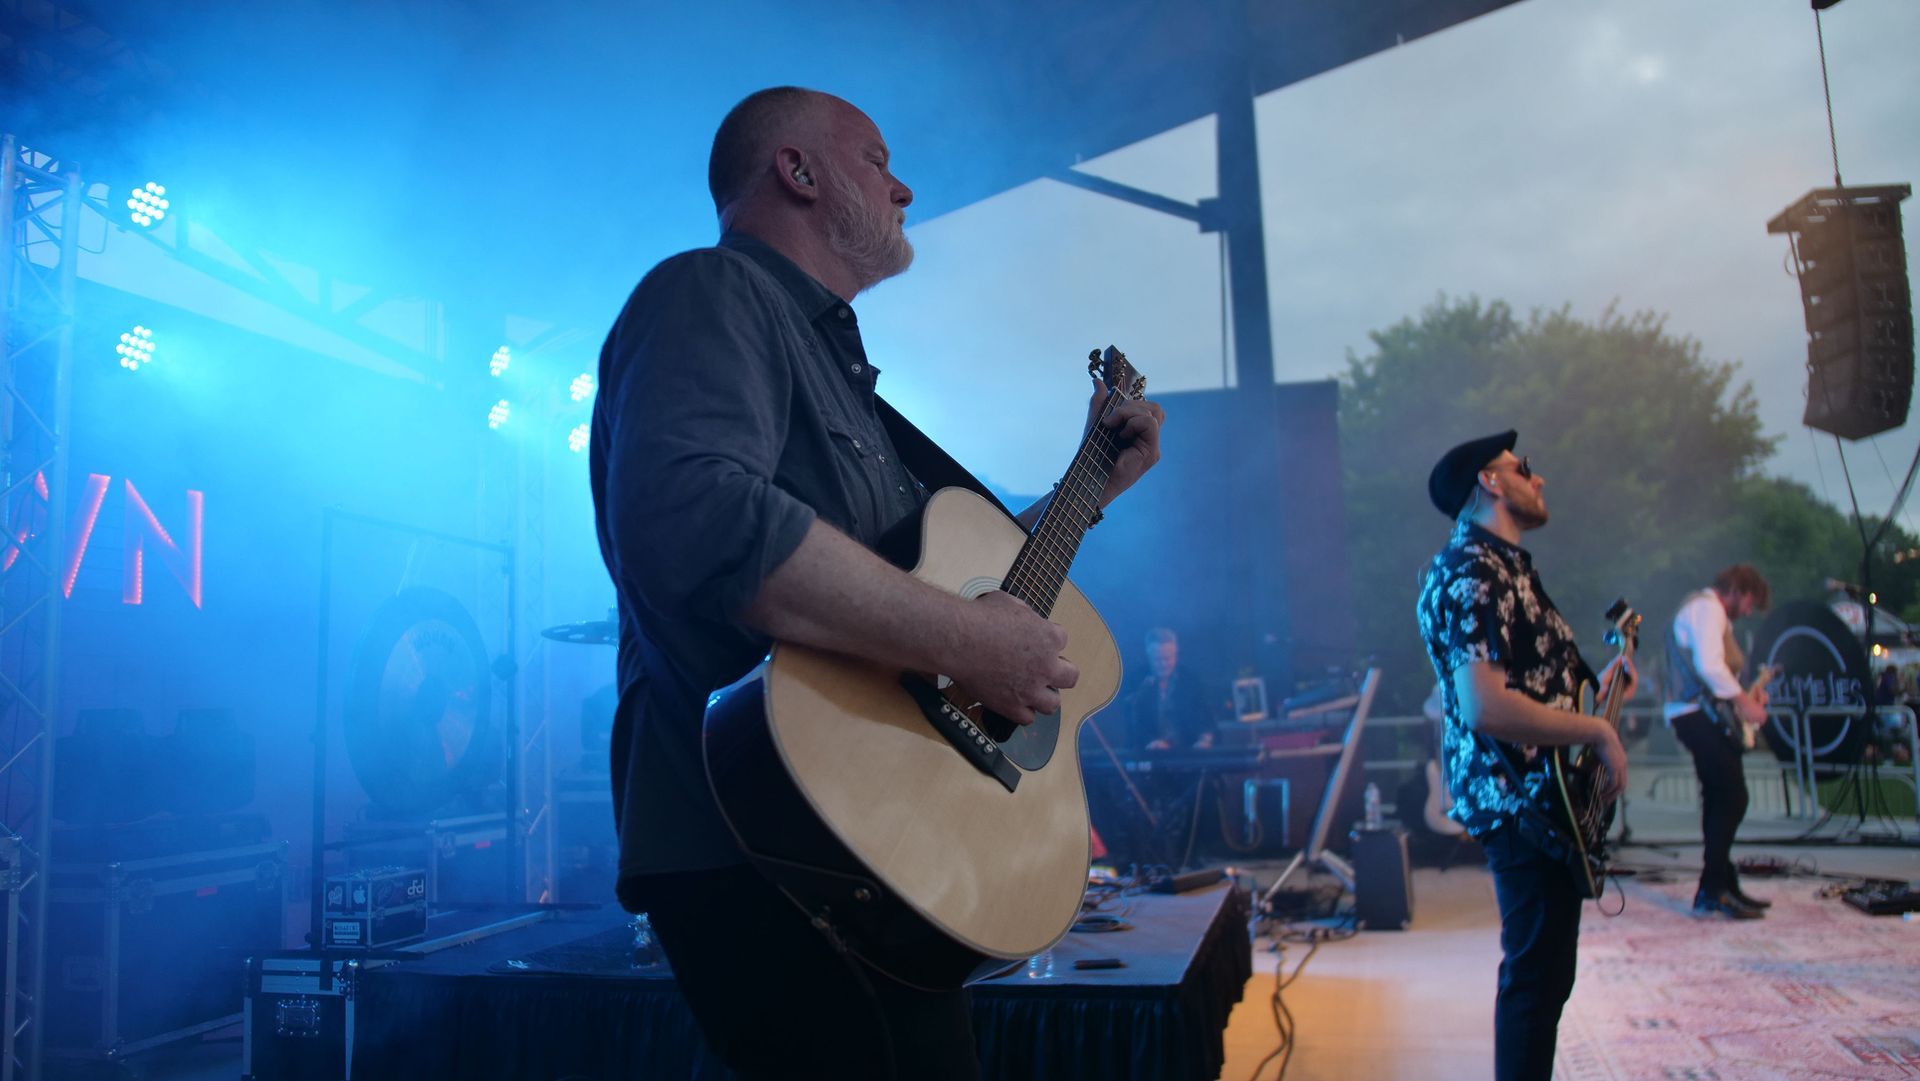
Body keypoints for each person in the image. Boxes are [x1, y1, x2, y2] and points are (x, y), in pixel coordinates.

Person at [589, 86, 1165, 1081]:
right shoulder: (708, 294)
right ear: (797, 173)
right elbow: (702, 519)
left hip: (871, 839)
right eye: (873, 158)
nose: (902, 186)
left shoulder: (835, 370)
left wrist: (1087, 489)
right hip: (759, 842)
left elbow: (925, 586)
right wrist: (970, 641)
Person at [1414, 430, 1633, 1081]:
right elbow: (1484, 705)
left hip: (1541, 798)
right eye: (1524, 468)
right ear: (1490, 479)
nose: (1538, 479)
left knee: (1544, 979)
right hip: (1517, 801)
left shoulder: (1508, 569)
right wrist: (1596, 733)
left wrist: (1606, 686)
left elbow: (1541, 685)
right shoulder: (1472, 571)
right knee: (1534, 983)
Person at [1662, 564, 1772, 920]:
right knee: (1732, 796)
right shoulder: (1707, 609)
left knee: (1720, 797)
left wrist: (1745, 697)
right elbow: (1710, 667)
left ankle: (1720, 884)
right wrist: (1745, 703)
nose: (1749, 611)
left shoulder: (1706, 611)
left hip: (1697, 714)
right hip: (1695, 715)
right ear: (1738, 589)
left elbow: (1713, 673)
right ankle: (1714, 887)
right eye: (1751, 602)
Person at [1124, 627, 1216, 751]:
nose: (1163, 664)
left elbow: (1207, 719)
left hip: (1188, 752)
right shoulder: (1136, 681)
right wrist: (1150, 742)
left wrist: (1205, 739)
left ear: (1176, 655)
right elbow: (1131, 722)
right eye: (1157, 659)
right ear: (1149, 657)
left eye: (1168, 658)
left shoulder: (1191, 681)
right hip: (1151, 754)